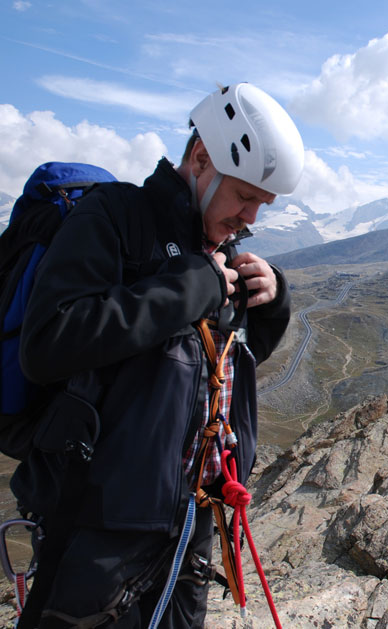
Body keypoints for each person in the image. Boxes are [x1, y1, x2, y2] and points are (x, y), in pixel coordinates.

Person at [11, 83, 303, 627]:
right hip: (96, 531)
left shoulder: (215, 249)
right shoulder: (114, 218)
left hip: (189, 525)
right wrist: (190, 289)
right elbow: (50, 342)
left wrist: (269, 308)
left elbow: (198, 376)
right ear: (200, 159)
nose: (251, 218)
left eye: (262, 205)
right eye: (244, 196)